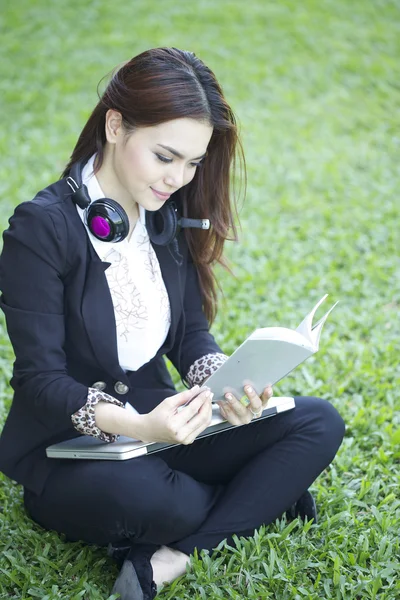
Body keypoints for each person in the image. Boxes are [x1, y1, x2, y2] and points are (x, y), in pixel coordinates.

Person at [0, 47, 345, 600]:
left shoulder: (164, 214)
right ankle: (252, 500)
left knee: (318, 422)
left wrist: (227, 383)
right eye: (165, 156)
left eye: (192, 163)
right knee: (163, 499)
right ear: (115, 125)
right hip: (73, 451)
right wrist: (138, 427)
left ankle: (172, 557)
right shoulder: (40, 229)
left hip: (168, 431)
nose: (178, 179)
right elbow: (40, 381)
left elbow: (187, 335)